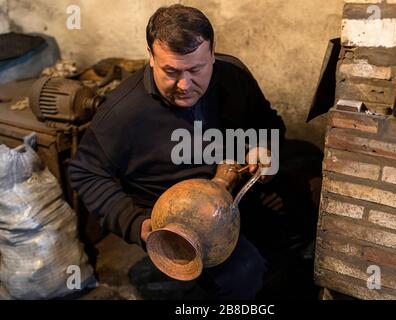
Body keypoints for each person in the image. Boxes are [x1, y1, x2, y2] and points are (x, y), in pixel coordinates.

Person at [69, 4, 286, 299]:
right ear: (151, 57)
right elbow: (85, 171)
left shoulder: (233, 76)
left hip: (237, 190)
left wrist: (263, 147)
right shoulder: (123, 113)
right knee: (244, 272)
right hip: (183, 224)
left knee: (306, 204)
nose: (184, 85)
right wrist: (136, 224)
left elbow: (267, 122)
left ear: (212, 54)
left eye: (196, 70)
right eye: (170, 71)